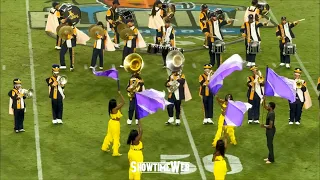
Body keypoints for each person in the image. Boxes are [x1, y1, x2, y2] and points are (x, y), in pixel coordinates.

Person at [101, 91, 125, 156]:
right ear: (114, 105)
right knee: (116, 138)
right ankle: (115, 152)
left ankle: (104, 147)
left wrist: (119, 97)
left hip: (111, 123)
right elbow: (123, 102)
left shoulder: (112, 109)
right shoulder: (115, 109)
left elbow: (120, 105)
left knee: (109, 135)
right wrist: (120, 94)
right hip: (115, 124)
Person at [260, 97, 276, 164]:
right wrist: (264, 99)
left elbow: (270, 126)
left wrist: (264, 126)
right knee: (268, 144)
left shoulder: (271, 114)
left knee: (269, 144)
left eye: (269, 105)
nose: (267, 106)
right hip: (269, 130)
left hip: (270, 130)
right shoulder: (270, 111)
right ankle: (269, 157)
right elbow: (264, 106)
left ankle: (271, 159)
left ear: (271, 107)